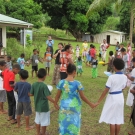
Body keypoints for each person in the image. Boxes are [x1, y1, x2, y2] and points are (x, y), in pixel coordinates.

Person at [54, 64, 95, 135]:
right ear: (74, 72)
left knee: (64, 123)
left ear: (66, 71)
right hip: (75, 107)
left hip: (64, 107)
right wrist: (91, 104)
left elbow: (57, 95)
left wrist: (55, 103)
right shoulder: (78, 84)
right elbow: (83, 97)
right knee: (74, 123)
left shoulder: (61, 82)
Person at [94, 58, 127, 135]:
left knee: (112, 120)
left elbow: (106, 90)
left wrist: (99, 101)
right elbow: (124, 87)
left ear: (114, 66)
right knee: (118, 118)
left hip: (113, 98)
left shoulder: (111, 77)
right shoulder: (125, 77)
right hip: (120, 97)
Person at [29, 68, 55, 135]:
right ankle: (43, 133)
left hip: (37, 106)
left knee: (37, 120)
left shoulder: (34, 84)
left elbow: (31, 94)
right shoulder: (44, 86)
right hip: (44, 107)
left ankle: (38, 133)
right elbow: (48, 96)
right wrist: (54, 101)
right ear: (44, 76)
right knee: (44, 121)